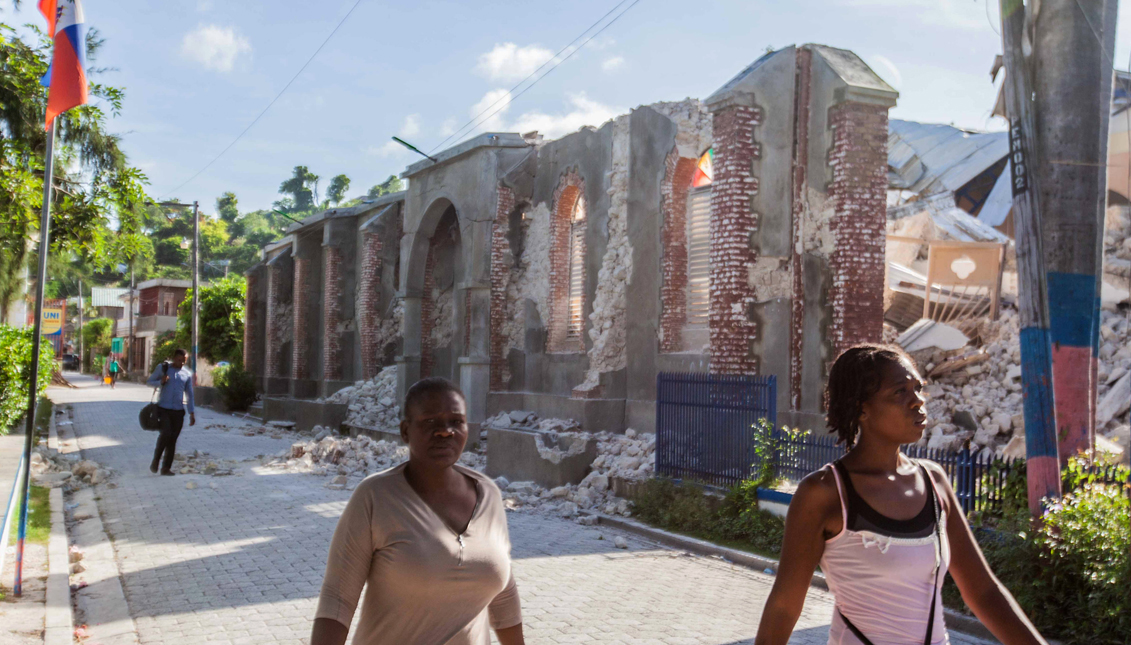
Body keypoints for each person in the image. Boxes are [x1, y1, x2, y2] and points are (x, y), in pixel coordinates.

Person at [754, 344, 1046, 645]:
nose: (918, 401)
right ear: (861, 408)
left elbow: (983, 592)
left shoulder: (934, 482)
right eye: (900, 392)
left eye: (918, 389)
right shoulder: (825, 493)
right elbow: (785, 605)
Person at [311, 377, 525, 645]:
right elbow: (337, 600)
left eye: (456, 421)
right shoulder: (375, 497)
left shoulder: (489, 495)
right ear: (405, 431)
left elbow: (504, 596)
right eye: (430, 422)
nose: (445, 431)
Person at [146, 349, 195, 476]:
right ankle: (156, 460)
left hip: (178, 412)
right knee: (166, 433)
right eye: (179, 360)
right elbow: (149, 382)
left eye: (184, 361)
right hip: (164, 409)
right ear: (174, 358)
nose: (182, 363)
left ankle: (166, 468)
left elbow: (189, 394)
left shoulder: (186, 374)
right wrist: (160, 382)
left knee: (173, 440)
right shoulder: (163, 368)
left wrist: (191, 412)